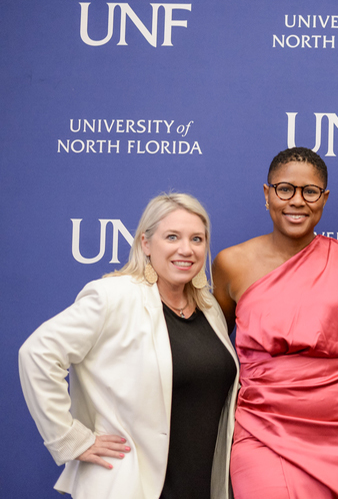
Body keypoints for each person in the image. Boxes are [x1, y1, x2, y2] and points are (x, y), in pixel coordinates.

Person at [19, 193, 239, 499]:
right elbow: (37, 353)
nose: (186, 249)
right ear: (145, 244)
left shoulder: (209, 309)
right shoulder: (113, 296)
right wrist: (71, 438)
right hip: (131, 484)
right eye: (172, 237)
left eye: (197, 239)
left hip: (200, 485)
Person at [212, 147, 338, 499]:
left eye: (310, 191)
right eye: (285, 189)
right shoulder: (232, 263)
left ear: (324, 198)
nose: (297, 201)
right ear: (267, 193)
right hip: (262, 430)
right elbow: (211, 347)